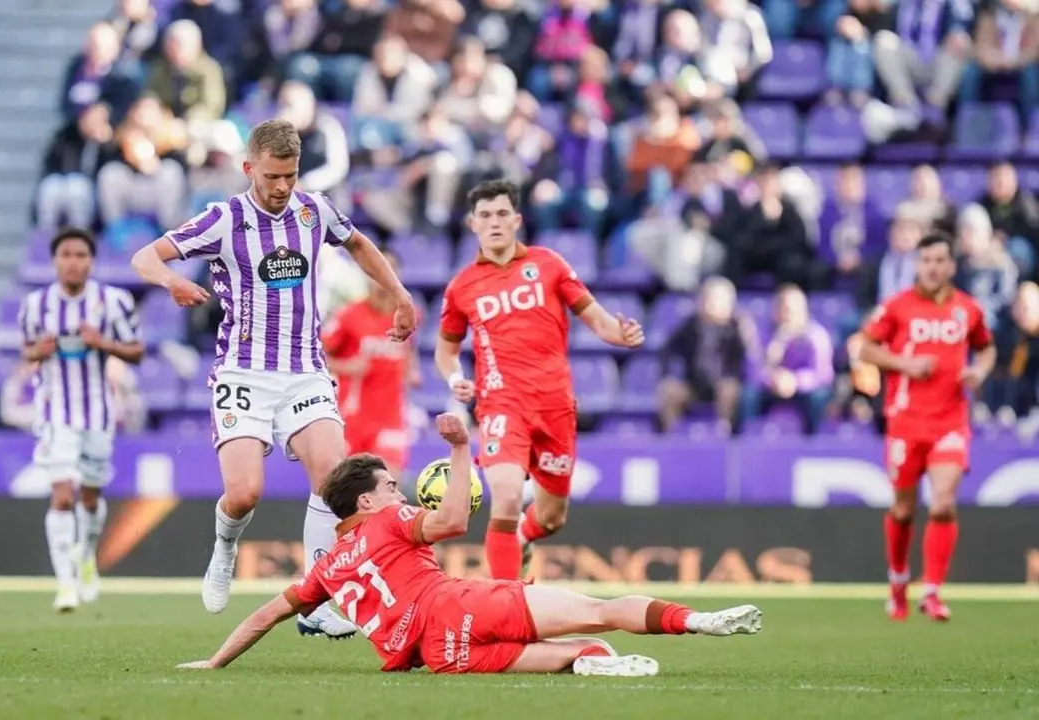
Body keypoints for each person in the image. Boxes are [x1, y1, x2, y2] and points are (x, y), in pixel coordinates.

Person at [176, 413, 762, 675]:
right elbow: (454, 521)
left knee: (572, 652)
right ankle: (697, 622)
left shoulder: (327, 569)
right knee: (600, 611)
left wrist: (215, 659)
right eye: (388, 485)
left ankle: (591, 663)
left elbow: (268, 615)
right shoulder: (389, 522)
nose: (397, 490)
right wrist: (461, 449)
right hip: (463, 605)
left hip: (442, 656)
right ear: (367, 502)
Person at [130, 118, 416, 638]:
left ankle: (316, 597)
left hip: (304, 370)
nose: (283, 187)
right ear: (248, 169)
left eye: (290, 175)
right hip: (245, 371)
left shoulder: (313, 210)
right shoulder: (224, 219)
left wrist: (400, 293)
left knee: (334, 481)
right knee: (243, 494)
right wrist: (172, 280)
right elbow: (144, 256)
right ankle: (224, 549)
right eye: (272, 177)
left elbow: (359, 245)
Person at [435, 179, 645, 581]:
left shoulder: (548, 264)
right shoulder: (462, 286)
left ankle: (522, 539)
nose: (494, 223)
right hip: (499, 404)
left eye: (501, 214)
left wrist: (619, 334)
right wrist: (455, 378)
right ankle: (508, 605)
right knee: (508, 498)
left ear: (516, 220)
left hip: (554, 406)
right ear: (472, 224)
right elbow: (445, 351)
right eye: (485, 216)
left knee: (550, 518)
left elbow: (596, 317)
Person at [859, 233, 996, 623]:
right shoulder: (897, 307)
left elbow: (986, 347)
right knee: (903, 510)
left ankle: (932, 591)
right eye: (926, 260)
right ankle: (898, 583)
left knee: (943, 503)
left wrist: (979, 371)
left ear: (952, 265)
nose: (933, 267)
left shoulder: (967, 310)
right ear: (918, 265)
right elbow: (865, 348)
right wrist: (905, 364)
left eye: (940, 260)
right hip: (905, 423)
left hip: (950, 422)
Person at [19, 227, 145, 611]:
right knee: (61, 494)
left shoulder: (113, 301)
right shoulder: (36, 305)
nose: (73, 261)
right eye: (66, 254)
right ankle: (65, 584)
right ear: (55, 260)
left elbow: (137, 351)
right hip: (55, 411)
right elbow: (26, 352)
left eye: (81, 255)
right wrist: (37, 352)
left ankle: (87, 554)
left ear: (91, 261)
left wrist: (102, 343)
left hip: (97, 413)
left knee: (89, 497)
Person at [322, 248, 421, 483]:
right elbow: (315, 356)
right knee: (352, 491)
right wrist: (347, 367)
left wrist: (411, 370)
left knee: (388, 483)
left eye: (389, 270)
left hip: (391, 417)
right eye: (374, 270)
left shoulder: (406, 316)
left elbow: (409, 348)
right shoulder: (348, 315)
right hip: (353, 419)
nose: (380, 277)